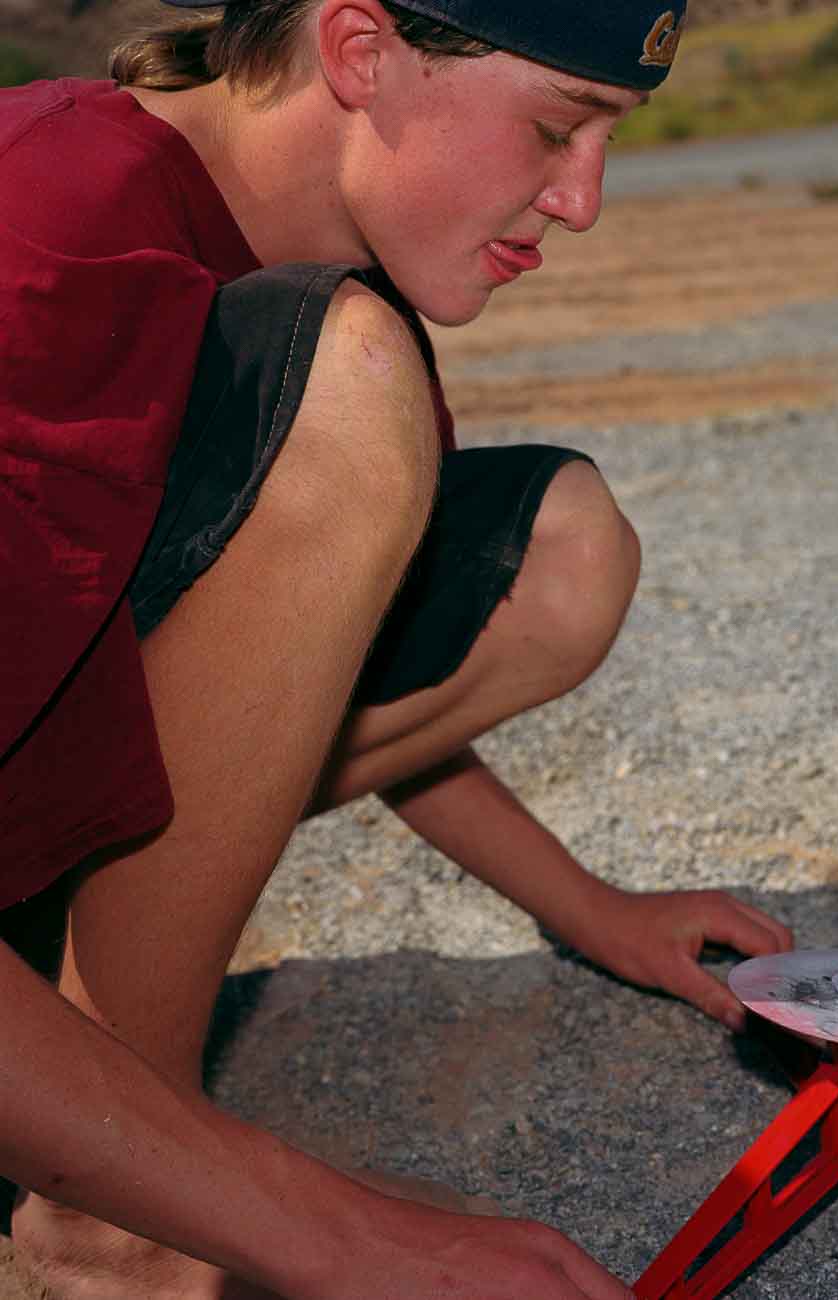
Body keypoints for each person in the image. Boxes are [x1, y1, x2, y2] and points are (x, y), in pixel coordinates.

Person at [0, 1, 795, 1295]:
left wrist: (586, 908)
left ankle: (115, 1127)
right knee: (347, 391)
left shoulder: (333, 294)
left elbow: (292, 666)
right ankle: (110, 1228)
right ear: (360, 51)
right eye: (554, 127)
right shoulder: (42, 220)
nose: (582, 201)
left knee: (560, 554)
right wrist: (337, 1237)